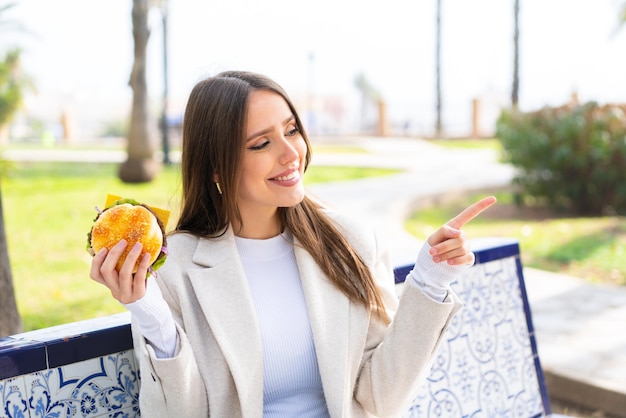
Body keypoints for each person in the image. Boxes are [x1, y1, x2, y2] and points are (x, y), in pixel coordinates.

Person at [90, 70, 496, 417]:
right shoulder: (172, 267)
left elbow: (380, 398)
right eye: (261, 143)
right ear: (215, 164)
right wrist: (149, 312)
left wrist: (429, 281)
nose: (291, 153)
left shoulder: (350, 241)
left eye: (292, 130)